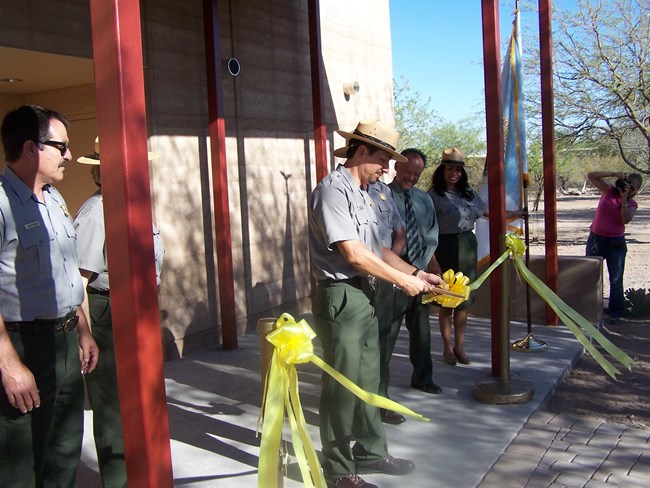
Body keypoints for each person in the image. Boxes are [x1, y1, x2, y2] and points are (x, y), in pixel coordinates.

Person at [309, 119, 445, 488]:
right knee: (342, 385)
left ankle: (370, 451)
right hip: (341, 297)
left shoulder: (363, 193)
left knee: (369, 378)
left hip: (366, 293)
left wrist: (416, 273)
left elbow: (378, 249)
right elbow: (353, 253)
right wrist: (402, 281)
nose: (387, 169)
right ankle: (338, 469)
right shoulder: (332, 191)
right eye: (383, 159)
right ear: (362, 150)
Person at [0, 105, 99, 487]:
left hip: (64, 342)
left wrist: (84, 329)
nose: (69, 156)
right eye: (61, 147)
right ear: (30, 148)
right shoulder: (3, 205)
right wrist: (8, 364)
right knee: (20, 463)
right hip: (22, 345)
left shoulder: (55, 200)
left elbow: (69, 272)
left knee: (62, 453)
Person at [74, 138, 165, 487]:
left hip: (137, 310)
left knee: (140, 401)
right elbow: (78, 281)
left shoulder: (134, 207)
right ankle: (118, 481)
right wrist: (85, 334)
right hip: (107, 311)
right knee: (112, 405)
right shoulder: (98, 212)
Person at [380, 148, 441, 414]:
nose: (412, 178)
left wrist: (423, 266)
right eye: (408, 173)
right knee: (386, 335)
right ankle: (380, 392)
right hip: (392, 273)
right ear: (397, 167)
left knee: (421, 330)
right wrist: (400, 269)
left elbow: (431, 233)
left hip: (420, 271)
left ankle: (423, 378)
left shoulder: (423, 199)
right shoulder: (381, 195)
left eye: (417, 174)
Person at [428, 148, 487, 367]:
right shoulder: (434, 196)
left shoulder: (468, 193)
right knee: (448, 301)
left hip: (467, 246)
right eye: (450, 169)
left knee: (464, 301)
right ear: (442, 170)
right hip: (446, 247)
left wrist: (513, 215)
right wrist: (432, 259)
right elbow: (428, 230)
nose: (455, 173)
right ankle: (446, 348)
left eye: (458, 170)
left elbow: (486, 212)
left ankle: (460, 347)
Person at [585, 170, 642, 325]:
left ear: (636, 190)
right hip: (596, 239)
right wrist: (615, 173)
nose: (629, 188)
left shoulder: (631, 203)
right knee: (589, 274)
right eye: (628, 183)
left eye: (633, 187)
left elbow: (625, 219)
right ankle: (588, 310)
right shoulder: (609, 191)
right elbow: (592, 176)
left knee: (615, 279)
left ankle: (615, 313)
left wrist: (624, 198)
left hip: (615, 243)